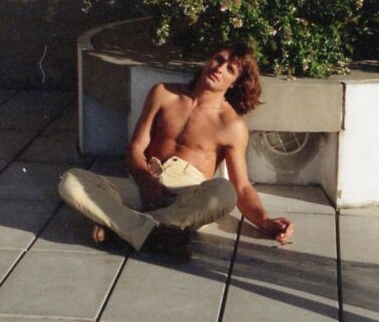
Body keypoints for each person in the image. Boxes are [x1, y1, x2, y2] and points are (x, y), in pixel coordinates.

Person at [59, 42, 293, 257]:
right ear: (208, 60)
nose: (220, 68)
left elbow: (241, 187)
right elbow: (136, 148)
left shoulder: (231, 125)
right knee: (71, 180)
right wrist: (146, 181)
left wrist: (264, 221)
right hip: (144, 181)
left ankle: (122, 230)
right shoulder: (164, 93)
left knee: (225, 192)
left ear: (234, 83)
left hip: (188, 196)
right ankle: (157, 233)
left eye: (230, 69)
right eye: (218, 59)